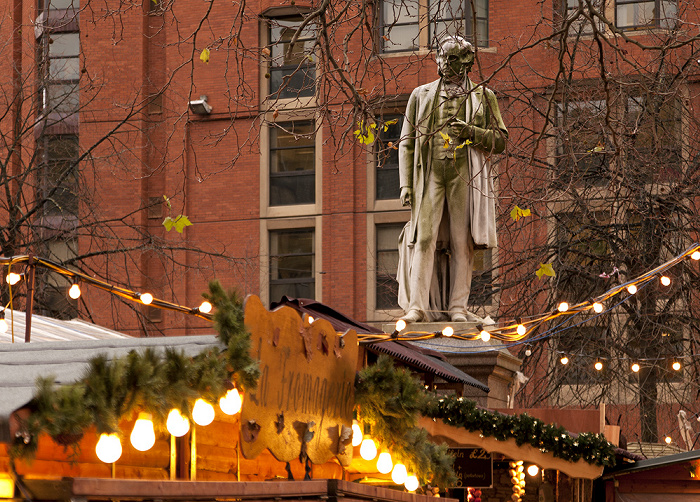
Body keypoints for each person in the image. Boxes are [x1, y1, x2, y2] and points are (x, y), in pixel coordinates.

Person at [397, 36, 507, 323]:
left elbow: (500, 140)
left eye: (455, 58)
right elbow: (406, 142)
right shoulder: (420, 95)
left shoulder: (484, 96)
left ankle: (458, 307)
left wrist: (471, 132)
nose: (447, 64)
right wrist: (406, 183)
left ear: (469, 61)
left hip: (464, 177)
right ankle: (416, 307)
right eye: (443, 57)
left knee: (462, 242)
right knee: (424, 239)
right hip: (430, 174)